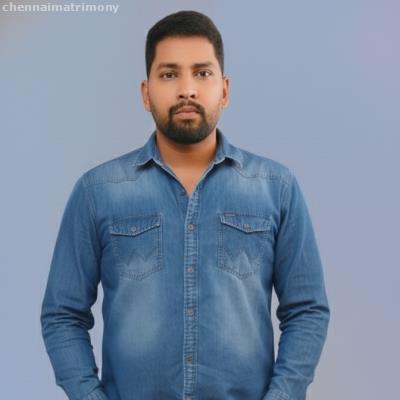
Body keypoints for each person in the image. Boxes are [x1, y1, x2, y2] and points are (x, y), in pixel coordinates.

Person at [40, 10, 330, 400]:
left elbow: (307, 310)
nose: (187, 90)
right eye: (169, 74)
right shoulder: (99, 192)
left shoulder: (275, 188)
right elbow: (62, 314)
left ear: (224, 90)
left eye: (202, 73)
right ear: (146, 93)